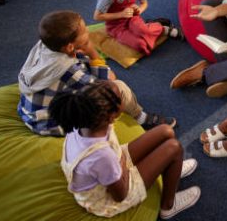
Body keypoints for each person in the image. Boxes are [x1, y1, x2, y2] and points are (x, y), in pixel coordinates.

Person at [48, 80, 201, 219]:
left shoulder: (85, 122)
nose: (123, 93)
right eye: (121, 95)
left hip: (113, 165)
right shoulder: (101, 156)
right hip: (113, 193)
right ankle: (168, 206)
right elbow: (119, 196)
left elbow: (109, 159)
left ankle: (169, 170)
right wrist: (121, 166)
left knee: (166, 131)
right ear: (111, 116)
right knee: (174, 148)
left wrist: (119, 162)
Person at [18, 10, 176, 136]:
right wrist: (92, 51)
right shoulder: (70, 71)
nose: (88, 32)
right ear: (69, 47)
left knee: (86, 64)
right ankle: (141, 118)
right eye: (84, 32)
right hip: (52, 124)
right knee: (118, 87)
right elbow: (109, 82)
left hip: (30, 112)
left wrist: (83, 50)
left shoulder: (44, 46)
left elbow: (78, 61)